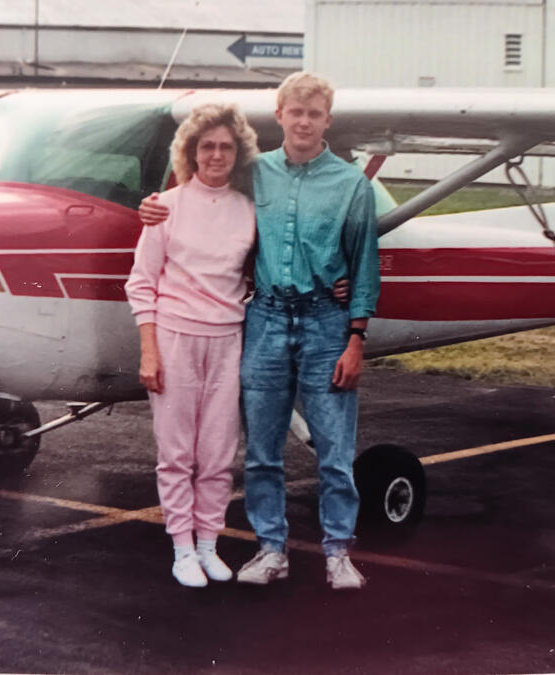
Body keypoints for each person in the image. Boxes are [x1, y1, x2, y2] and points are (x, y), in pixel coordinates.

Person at [138, 72, 380, 590]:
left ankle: (338, 551)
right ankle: (271, 549)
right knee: (261, 450)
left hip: (326, 323)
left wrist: (356, 336)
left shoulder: (352, 185)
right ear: (280, 116)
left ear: (327, 121)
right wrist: (151, 205)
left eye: (314, 114)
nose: (304, 122)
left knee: (334, 449)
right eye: (296, 112)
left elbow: (364, 264)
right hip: (266, 319)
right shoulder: (257, 174)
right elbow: (203, 192)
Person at [125, 103, 258, 588]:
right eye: (207, 146)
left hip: (227, 339)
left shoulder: (249, 210)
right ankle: (182, 548)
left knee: (219, 453)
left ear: (237, 153)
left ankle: (208, 545)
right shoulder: (165, 206)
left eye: (226, 146)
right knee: (177, 453)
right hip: (175, 338)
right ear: (191, 151)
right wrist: (149, 350)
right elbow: (141, 283)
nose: (216, 155)